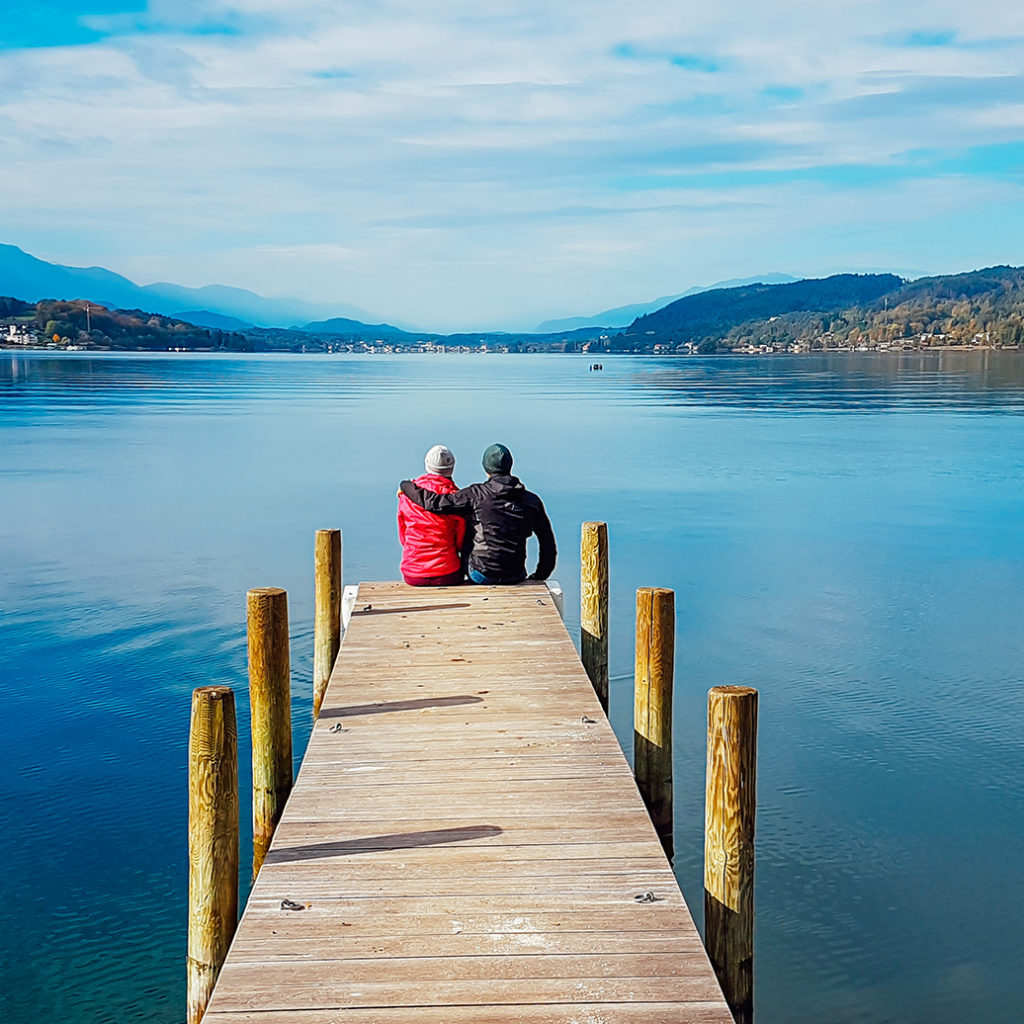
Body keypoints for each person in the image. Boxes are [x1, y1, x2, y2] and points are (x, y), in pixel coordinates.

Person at [399, 443, 556, 585]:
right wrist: (540, 575)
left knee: (470, 523)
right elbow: (547, 542)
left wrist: (406, 485)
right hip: (515, 574)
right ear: (510, 465)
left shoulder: (475, 495)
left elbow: (435, 503)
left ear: (486, 469)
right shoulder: (532, 501)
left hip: (481, 575)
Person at [397, 444, 467, 586]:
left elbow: (403, 536)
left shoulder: (407, 496)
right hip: (448, 573)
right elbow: (460, 542)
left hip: (412, 573)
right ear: (452, 468)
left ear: (427, 465)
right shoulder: (455, 498)